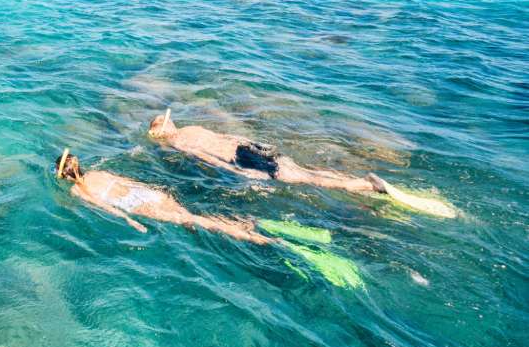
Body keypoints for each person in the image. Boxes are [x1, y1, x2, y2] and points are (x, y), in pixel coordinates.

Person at [146, 109, 456, 217]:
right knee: (303, 170)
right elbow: (228, 135)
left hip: (243, 158)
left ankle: (361, 185)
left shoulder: (181, 142)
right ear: (170, 123)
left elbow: (211, 160)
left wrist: (242, 175)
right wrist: (255, 145)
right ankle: (358, 181)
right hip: (250, 147)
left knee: (305, 179)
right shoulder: (191, 129)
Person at [54, 148, 272, 245]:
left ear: (64, 174)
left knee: (194, 220)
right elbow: (128, 182)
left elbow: (105, 207)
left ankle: (254, 238)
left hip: (131, 204)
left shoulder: (76, 191)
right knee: (189, 215)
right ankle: (241, 225)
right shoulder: (97, 172)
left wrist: (129, 220)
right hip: (142, 193)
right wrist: (153, 190)